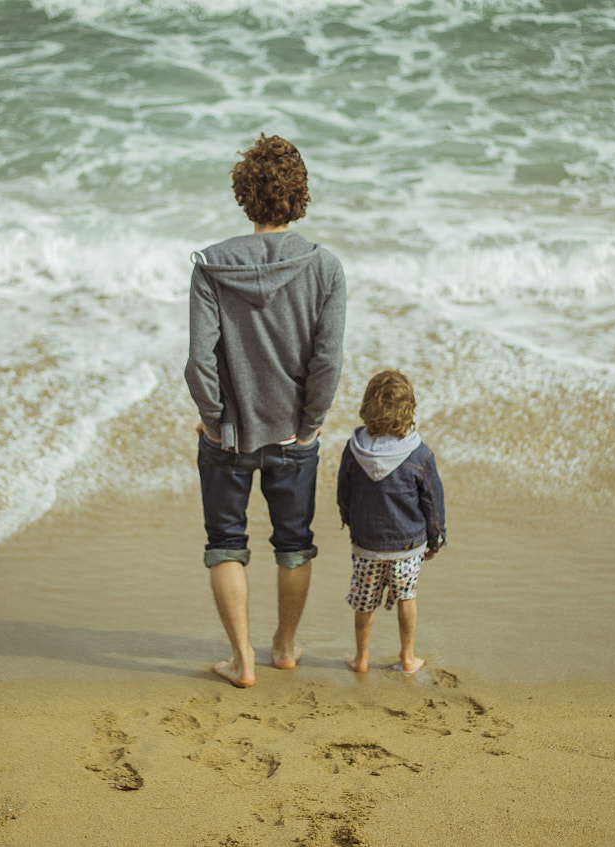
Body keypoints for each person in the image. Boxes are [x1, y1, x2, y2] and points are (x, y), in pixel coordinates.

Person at [185, 134, 346, 688]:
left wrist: (212, 418)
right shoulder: (326, 268)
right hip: (293, 436)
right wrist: (308, 426)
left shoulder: (211, 266)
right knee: (294, 544)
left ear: (243, 195)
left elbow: (197, 360)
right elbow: (327, 361)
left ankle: (242, 660)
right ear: (299, 197)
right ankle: (282, 647)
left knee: (225, 542)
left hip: (228, 434)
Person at [336, 368, 446, 674]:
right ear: (409, 408)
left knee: (364, 602)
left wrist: (350, 521)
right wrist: (436, 539)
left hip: (367, 545)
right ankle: (408, 658)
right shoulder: (419, 454)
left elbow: (343, 491)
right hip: (408, 546)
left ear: (367, 404)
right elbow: (433, 503)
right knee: (406, 598)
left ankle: (361, 658)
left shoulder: (354, 449)